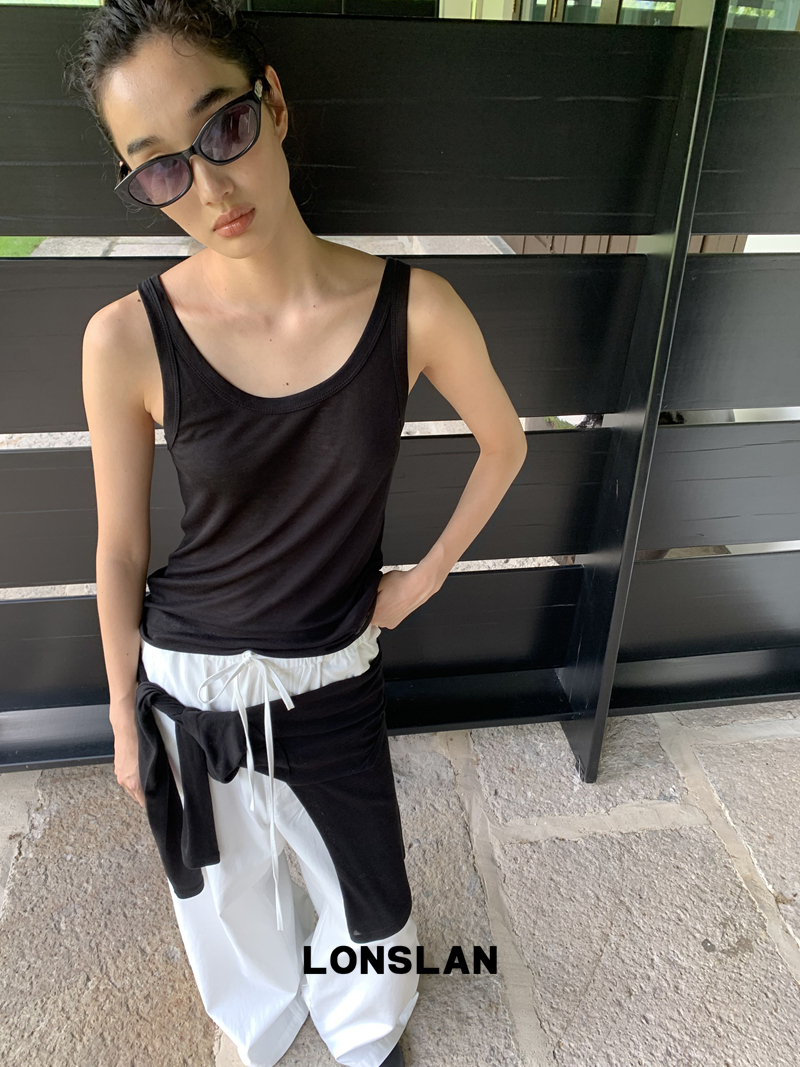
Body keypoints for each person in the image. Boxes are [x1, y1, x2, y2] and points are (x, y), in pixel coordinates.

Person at [68, 2, 528, 1065]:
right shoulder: (125, 337)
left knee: (369, 896)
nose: (208, 188)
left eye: (222, 128)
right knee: (220, 898)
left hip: (330, 675)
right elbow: (119, 550)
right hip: (187, 685)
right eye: (159, 168)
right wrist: (124, 716)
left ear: (272, 102)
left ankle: (361, 1027)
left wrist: (421, 579)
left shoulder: (414, 308)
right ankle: (263, 1022)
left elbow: (504, 444)